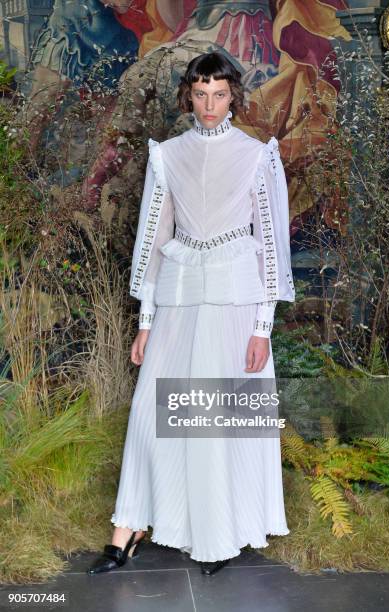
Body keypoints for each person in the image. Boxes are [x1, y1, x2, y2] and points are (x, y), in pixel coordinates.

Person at [87, 51, 295, 577]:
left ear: (233, 97)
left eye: (219, 95)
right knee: (150, 414)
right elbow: (154, 240)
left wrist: (262, 327)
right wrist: (145, 320)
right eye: (200, 94)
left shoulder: (256, 154)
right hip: (178, 297)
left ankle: (221, 535)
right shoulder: (167, 155)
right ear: (189, 95)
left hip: (237, 299)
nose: (209, 105)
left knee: (218, 418)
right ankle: (128, 527)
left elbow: (270, 244)